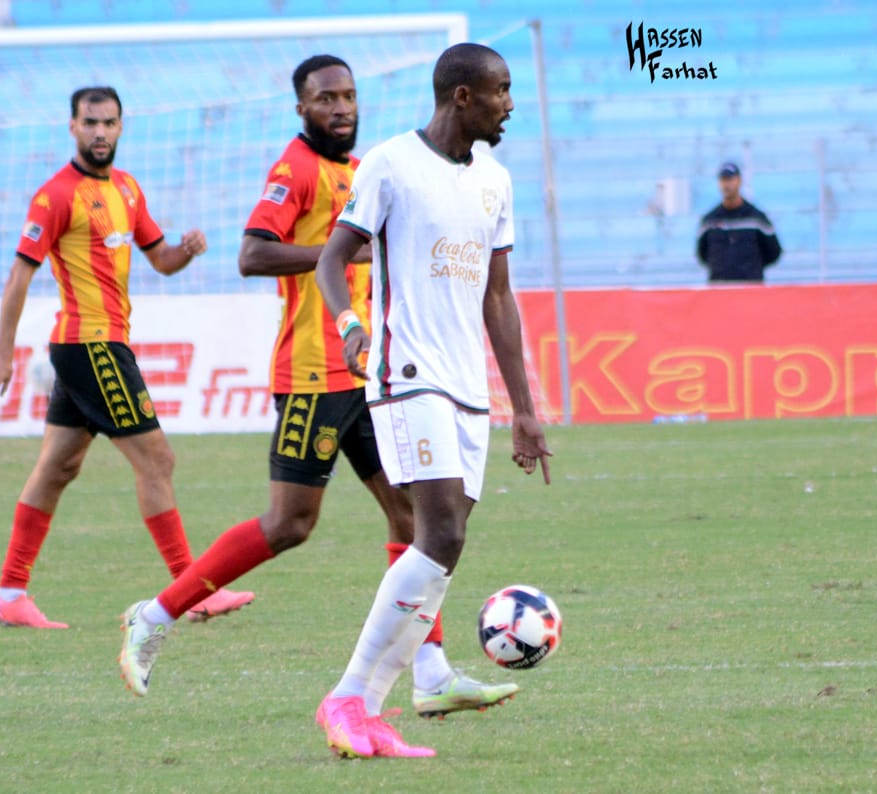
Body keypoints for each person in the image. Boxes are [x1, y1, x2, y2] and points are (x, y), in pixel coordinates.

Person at [114, 56, 517, 727]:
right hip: (314, 373)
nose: (341, 108)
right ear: (301, 107)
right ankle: (155, 615)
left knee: (415, 519)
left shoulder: (361, 169)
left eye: (349, 96)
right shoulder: (296, 169)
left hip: (379, 371)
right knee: (291, 524)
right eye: (326, 98)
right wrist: (350, 253)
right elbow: (252, 254)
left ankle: (430, 672)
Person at [308, 42, 553, 760]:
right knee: (438, 532)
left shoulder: (496, 180)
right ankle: (348, 698)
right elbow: (330, 259)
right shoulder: (390, 164)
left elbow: (498, 298)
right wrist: (349, 324)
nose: (511, 103)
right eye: (502, 90)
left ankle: (371, 706)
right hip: (406, 370)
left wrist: (524, 407)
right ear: (463, 96)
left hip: (466, 385)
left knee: (444, 547)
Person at [0, 86, 253, 629]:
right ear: (72, 127)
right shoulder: (55, 196)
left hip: (97, 345)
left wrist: (186, 251)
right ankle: (191, 590)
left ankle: (9, 593)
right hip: (90, 345)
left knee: (58, 467)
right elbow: (18, 276)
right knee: (157, 460)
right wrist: (3, 355)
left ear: (122, 127)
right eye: (90, 123)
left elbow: (161, 260)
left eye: (108, 123)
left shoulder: (127, 188)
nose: (100, 132)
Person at [696, 161, 781, 282]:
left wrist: (751, 268)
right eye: (723, 180)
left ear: (739, 181)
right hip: (719, 288)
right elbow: (703, 255)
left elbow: (773, 252)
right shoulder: (710, 220)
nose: (726, 184)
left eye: (730, 179)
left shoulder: (756, 218)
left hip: (750, 288)